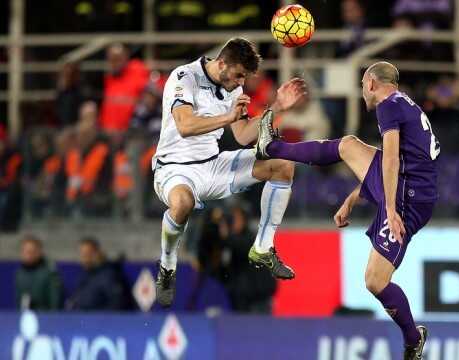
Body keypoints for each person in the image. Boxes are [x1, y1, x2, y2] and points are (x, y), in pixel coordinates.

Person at [255, 62, 432, 360]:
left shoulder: (388, 107)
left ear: (372, 83)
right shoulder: (405, 104)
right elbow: (395, 163)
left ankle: (413, 338)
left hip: (408, 199)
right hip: (410, 186)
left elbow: (390, 161)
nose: (362, 90)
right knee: (348, 145)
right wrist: (354, 197)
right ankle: (272, 147)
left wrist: (389, 208)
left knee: (375, 281)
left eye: (362, 84)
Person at [152, 38, 307, 307]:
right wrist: (228, 118)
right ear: (222, 63)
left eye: (244, 78)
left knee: (282, 164)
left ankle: (262, 247)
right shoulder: (184, 77)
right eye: (238, 75)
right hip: (174, 168)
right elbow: (185, 125)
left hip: (213, 165)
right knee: (183, 203)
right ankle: (167, 266)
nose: (240, 82)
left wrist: (277, 107)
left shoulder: (234, 87)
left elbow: (244, 134)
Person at [66, 237, 132, 311]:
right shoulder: (85, 275)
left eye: (88, 254)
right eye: (82, 254)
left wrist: (98, 317)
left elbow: (117, 305)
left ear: (98, 253)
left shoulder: (109, 275)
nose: (84, 258)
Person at [14, 235, 63, 310]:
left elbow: (55, 303)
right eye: (25, 251)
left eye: (31, 251)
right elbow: (18, 302)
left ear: (39, 252)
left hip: (44, 317)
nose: (28, 255)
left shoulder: (50, 274)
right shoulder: (19, 274)